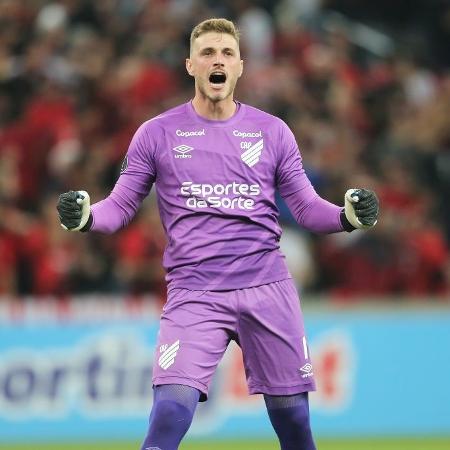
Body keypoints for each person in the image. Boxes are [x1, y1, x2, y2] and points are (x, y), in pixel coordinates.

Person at [57, 18, 379, 450]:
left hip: (267, 289)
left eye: (226, 53)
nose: (217, 61)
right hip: (195, 294)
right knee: (170, 411)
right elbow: (118, 208)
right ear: (191, 64)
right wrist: (84, 217)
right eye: (208, 53)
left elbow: (306, 207)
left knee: (296, 423)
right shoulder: (156, 134)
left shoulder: (272, 131)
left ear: (240, 66)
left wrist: (348, 216)